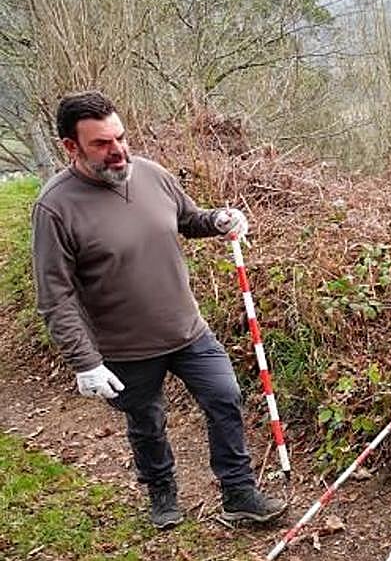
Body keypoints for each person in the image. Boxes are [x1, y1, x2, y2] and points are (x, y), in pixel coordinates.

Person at [31, 91, 288, 530]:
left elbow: (189, 219)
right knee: (146, 419)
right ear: (70, 147)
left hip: (188, 331)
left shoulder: (152, 175)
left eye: (121, 137)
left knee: (225, 398)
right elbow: (55, 296)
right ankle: (161, 491)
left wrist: (219, 220)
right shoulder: (55, 208)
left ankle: (239, 492)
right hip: (126, 347)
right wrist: (86, 362)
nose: (118, 151)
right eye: (102, 144)